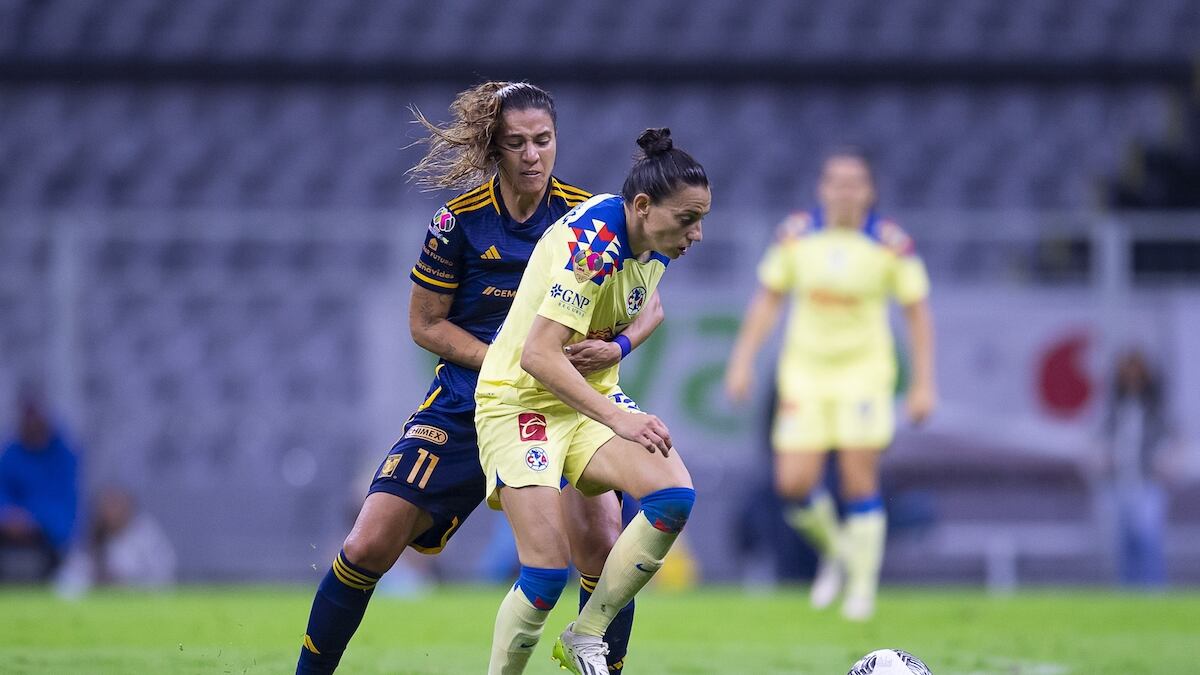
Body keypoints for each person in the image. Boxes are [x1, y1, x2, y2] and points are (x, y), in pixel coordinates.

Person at [296, 82, 662, 674]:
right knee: (368, 543)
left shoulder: (588, 216)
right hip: (471, 401)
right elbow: (425, 324)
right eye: (516, 143)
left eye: (543, 140)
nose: (532, 155)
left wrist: (617, 343)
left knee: (603, 538)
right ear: (495, 148)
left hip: (564, 406)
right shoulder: (459, 222)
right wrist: (509, 359)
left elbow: (650, 304)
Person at [475, 127, 709, 674]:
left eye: (701, 219)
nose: (697, 235)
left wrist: (619, 346)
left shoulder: (654, 238)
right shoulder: (595, 244)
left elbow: (652, 309)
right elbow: (538, 354)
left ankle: (586, 634)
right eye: (688, 220)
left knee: (673, 496)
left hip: (585, 400)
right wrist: (618, 419)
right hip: (520, 403)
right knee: (544, 575)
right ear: (644, 206)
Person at [724, 149, 936, 621]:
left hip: (864, 375)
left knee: (860, 479)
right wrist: (742, 362)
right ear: (822, 187)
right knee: (793, 483)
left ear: (869, 190)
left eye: (854, 181)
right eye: (835, 181)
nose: (844, 190)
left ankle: (862, 588)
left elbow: (917, 311)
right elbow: (767, 301)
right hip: (805, 375)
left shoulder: (890, 243)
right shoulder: (796, 235)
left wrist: (924, 383)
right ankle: (839, 554)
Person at [1099, 349, 1173, 588]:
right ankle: (1127, 594)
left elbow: (1173, 438)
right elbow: (1101, 439)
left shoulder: (1155, 409)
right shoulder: (1115, 409)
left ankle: (1154, 591)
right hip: (1119, 483)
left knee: (1148, 541)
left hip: (1147, 483)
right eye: (1126, 375)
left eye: (1136, 375)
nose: (1131, 380)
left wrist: (1167, 459)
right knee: (1124, 544)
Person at [0, 391, 80, 583]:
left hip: (48, 543)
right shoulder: (10, 455)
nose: (33, 422)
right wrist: (8, 515)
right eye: (28, 416)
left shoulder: (64, 456)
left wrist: (33, 520)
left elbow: (67, 505)